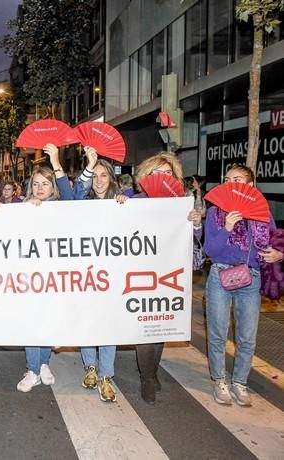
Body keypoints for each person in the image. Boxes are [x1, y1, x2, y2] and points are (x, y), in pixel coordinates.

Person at [204, 164, 283, 407]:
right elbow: (210, 250)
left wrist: (278, 254)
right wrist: (226, 228)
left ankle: (240, 382)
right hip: (221, 276)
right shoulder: (215, 213)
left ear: (250, 185)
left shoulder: (263, 213)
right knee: (218, 333)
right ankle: (219, 380)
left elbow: (274, 242)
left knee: (247, 337)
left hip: (252, 278)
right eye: (227, 179)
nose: (230, 183)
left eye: (237, 179)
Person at [130, 152, 202, 403]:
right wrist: (119, 205)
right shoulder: (135, 201)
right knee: (144, 324)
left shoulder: (181, 203)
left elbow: (195, 238)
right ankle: (147, 377)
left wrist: (195, 223)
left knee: (160, 324)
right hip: (141, 273)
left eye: (168, 173)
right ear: (146, 177)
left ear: (175, 178)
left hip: (169, 274)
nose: (162, 178)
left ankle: (151, 371)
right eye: (157, 173)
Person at [17, 144, 74, 393]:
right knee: (31, 320)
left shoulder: (62, 210)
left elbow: (71, 197)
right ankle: (33, 368)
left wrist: (56, 162)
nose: (40, 188)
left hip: (53, 277)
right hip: (28, 277)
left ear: (53, 188)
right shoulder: (23, 207)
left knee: (47, 320)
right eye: (36, 183)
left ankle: (43, 364)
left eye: (45, 184)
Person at [72, 149, 124, 402]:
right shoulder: (84, 203)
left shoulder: (124, 201)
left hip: (112, 276)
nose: (100, 180)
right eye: (96, 176)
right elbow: (75, 194)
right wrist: (90, 165)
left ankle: (106, 375)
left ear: (111, 179)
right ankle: (89, 367)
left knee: (107, 324)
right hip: (86, 274)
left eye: (104, 175)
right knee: (88, 321)